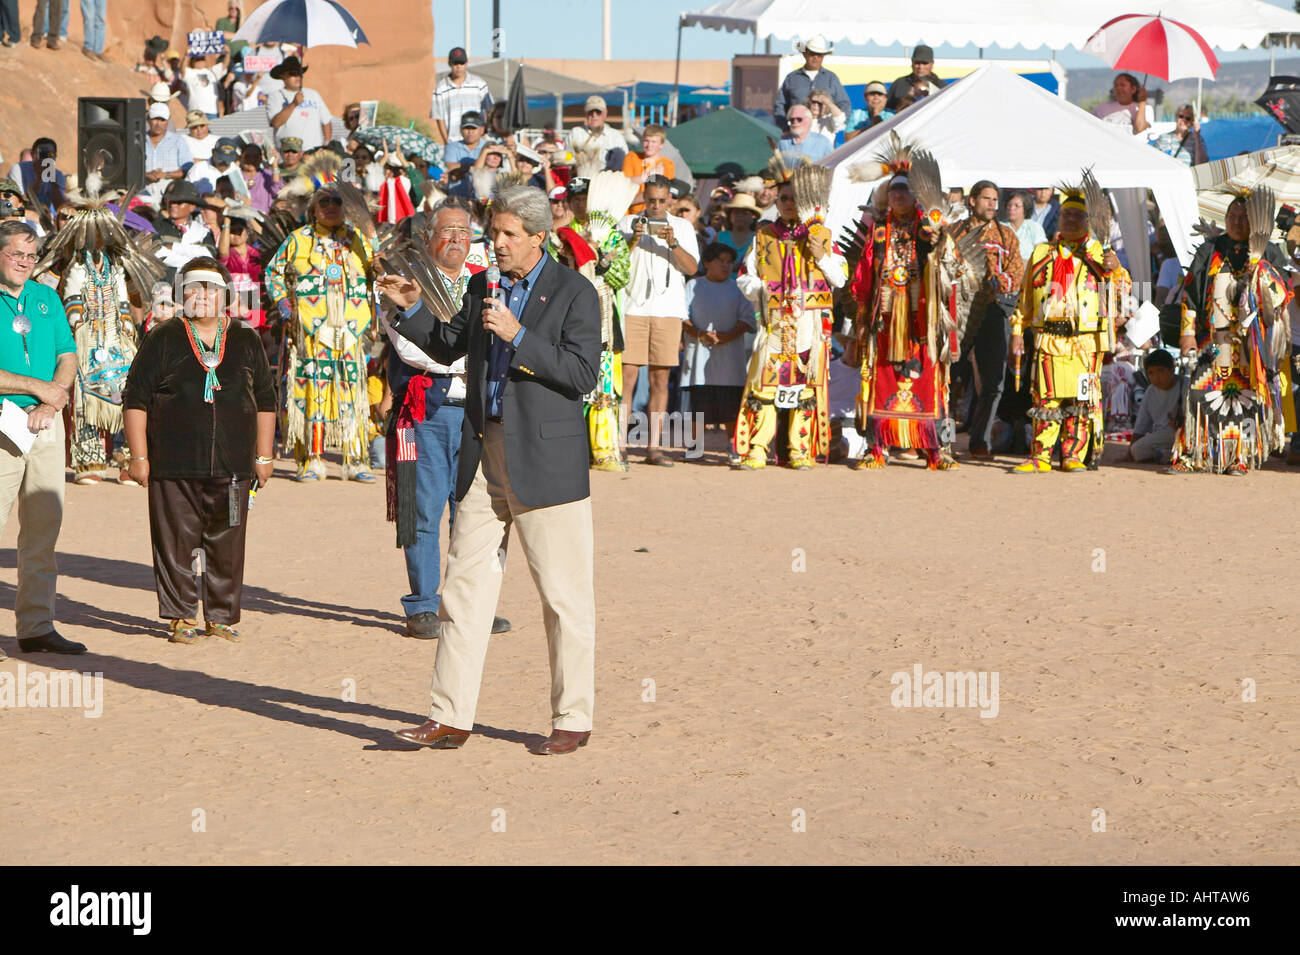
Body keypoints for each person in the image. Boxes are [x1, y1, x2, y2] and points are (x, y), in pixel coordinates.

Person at [379, 184, 600, 756]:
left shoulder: (575, 291)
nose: (496, 244)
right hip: (484, 453)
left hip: (546, 461)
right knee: (463, 589)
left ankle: (572, 717)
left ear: (538, 239)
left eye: (508, 235)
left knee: (561, 596)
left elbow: (582, 375)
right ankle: (450, 716)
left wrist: (518, 336)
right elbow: (451, 344)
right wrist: (410, 305)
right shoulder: (483, 285)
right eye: (493, 232)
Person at [124, 257, 275, 645]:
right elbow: (136, 399)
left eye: (210, 288)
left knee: (227, 542)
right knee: (175, 541)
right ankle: (179, 616)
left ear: (225, 294)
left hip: (234, 466)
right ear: (180, 294)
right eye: (193, 287)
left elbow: (265, 400)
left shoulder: (244, 337)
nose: (202, 295)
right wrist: (139, 457)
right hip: (173, 464)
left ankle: (221, 617)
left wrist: (263, 456)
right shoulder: (164, 337)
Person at [380, 198, 511, 638]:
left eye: (463, 231)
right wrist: (464, 361)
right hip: (425, 411)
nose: (455, 239)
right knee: (423, 508)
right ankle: (422, 604)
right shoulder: (406, 284)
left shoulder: (485, 286)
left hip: (476, 413)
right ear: (428, 238)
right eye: (446, 231)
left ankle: (471, 602)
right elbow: (410, 348)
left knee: (475, 512)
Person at [0, 220, 85, 658]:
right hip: (2, 421)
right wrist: (38, 390)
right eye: (16, 254)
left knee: (43, 530)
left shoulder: (47, 298)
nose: (24, 263)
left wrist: (51, 403)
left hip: (46, 424)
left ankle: (35, 626)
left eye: (31, 256)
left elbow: (67, 356)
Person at [1009, 182, 1132, 473]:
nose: (1072, 220)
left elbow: (1124, 293)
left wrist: (1114, 269)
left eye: (1078, 216)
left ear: (1088, 221)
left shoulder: (1101, 254)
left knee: (1082, 398)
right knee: (1046, 398)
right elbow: (1026, 297)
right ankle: (1040, 455)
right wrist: (1017, 330)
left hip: (1085, 342)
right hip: (1049, 339)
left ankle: (1073, 453)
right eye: (1067, 215)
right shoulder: (1042, 254)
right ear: (1059, 218)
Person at [265, 178, 378, 482]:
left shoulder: (359, 240)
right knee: (309, 390)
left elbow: (378, 274)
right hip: (309, 331)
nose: (330, 207)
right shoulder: (298, 239)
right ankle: (310, 459)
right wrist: (285, 307)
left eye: (337, 202)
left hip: (349, 330)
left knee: (351, 392)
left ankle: (355, 459)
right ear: (312, 209)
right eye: (324, 202)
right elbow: (273, 273)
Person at [1172, 190, 1292, 474]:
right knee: (1201, 395)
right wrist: (1187, 333)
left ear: (1255, 221)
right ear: (1225, 220)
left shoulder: (1268, 252)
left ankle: (1238, 455)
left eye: (1244, 217)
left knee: (1244, 401)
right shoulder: (1210, 250)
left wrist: (1260, 271)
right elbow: (1189, 295)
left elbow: (1283, 297)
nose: (1238, 223)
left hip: (1251, 347)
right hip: (1213, 340)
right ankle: (1195, 453)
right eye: (1233, 217)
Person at [736, 168, 845, 469]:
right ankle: (758, 448)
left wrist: (821, 255)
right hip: (773, 322)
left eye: (796, 198)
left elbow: (840, 278)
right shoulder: (764, 236)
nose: (789, 203)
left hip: (808, 326)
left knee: (803, 386)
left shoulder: (822, 234)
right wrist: (762, 290)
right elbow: (745, 277)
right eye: (784, 198)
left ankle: (799, 449)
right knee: (766, 384)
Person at [619, 175, 699, 466]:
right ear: (644, 196)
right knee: (626, 378)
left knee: (660, 379)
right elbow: (614, 264)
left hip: (667, 309)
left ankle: (653, 447)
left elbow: (692, 268)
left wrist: (673, 243)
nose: (655, 206)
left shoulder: (683, 227)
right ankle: (619, 444)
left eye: (661, 201)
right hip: (632, 307)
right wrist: (635, 239)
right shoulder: (626, 222)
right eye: (650, 200)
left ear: (671, 201)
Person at [951, 181, 1023, 459]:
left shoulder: (1006, 236)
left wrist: (997, 282)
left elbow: (1017, 270)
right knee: (948, 377)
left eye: (995, 199)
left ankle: (979, 440)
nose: (992, 204)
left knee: (994, 382)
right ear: (972, 201)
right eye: (986, 199)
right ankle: (941, 439)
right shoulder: (953, 232)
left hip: (992, 312)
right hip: (957, 313)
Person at [682, 243, 754, 460]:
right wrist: (699, 334)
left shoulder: (738, 288)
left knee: (731, 406)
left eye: (728, 262)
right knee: (698, 406)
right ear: (707, 263)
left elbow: (747, 320)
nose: (725, 266)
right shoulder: (692, 286)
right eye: (719, 261)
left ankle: (734, 447)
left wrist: (727, 336)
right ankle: (695, 449)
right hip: (698, 356)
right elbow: (682, 316)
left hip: (730, 360)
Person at [774, 34, 849, 129]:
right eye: (812, 54)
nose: (816, 58)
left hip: (824, 132)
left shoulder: (831, 78)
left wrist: (837, 125)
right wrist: (785, 128)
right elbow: (780, 105)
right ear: (805, 54)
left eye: (819, 55)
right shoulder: (792, 78)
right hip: (797, 133)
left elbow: (844, 104)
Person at [267, 56, 332, 152]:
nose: (297, 77)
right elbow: (276, 123)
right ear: (283, 76)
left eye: (299, 73)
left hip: (313, 152)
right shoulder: (275, 96)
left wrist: (326, 144)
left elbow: (326, 121)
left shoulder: (313, 94)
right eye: (293, 73)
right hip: (288, 153)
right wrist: (293, 104)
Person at [430, 46, 492, 145]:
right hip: (454, 141)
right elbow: (439, 118)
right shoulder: (441, 88)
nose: (458, 67)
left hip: (477, 141)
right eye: (455, 63)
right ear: (449, 64)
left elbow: (489, 110)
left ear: (466, 63)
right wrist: (446, 141)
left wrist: (484, 133)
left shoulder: (479, 84)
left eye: (461, 63)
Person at [1128, 349, 1180, 463]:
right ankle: (1169, 455)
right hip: (1161, 436)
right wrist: (1130, 453)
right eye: (1151, 373)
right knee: (1137, 449)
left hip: (1182, 433)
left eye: (1160, 371)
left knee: (1139, 449)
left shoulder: (1185, 385)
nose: (1156, 377)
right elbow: (1140, 427)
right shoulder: (1151, 391)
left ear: (1172, 369)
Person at [7, 137, 66, 219]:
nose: (46, 158)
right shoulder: (19, 170)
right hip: (21, 215)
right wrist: (39, 179)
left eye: (51, 154)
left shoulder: (58, 175)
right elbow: (18, 204)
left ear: (55, 156)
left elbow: (61, 208)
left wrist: (53, 182)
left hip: (44, 219)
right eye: (42, 154)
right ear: (32, 155)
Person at [145, 103, 193, 201]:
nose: (158, 124)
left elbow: (187, 170)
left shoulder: (178, 140)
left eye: (162, 120)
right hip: (142, 193)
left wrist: (165, 175)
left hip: (169, 196)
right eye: (155, 119)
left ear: (168, 120)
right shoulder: (138, 140)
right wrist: (145, 175)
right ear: (148, 119)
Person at [622, 124, 674, 214]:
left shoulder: (667, 164)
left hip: (655, 213)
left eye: (653, 142)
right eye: (646, 141)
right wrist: (649, 175)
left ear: (661, 144)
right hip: (630, 213)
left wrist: (633, 199)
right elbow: (624, 183)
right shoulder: (632, 157)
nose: (649, 145)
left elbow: (661, 195)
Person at [567, 96, 626, 172]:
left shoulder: (616, 137)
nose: (594, 115)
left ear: (605, 113)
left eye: (598, 112)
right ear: (585, 113)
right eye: (590, 112)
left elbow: (625, 163)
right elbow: (567, 159)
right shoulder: (575, 134)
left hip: (608, 180)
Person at [887, 45, 947, 112]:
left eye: (925, 63)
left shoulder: (942, 86)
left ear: (932, 64)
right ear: (912, 62)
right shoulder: (899, 84)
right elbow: (887, 112)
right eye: (917, 63)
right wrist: (908, 98)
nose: (920, 67)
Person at [443, 111, 488, 198]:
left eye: (473, 128)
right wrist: (476, 167)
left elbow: (489, 169)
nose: (470, 132)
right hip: (456, 199)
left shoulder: (488, 147)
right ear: (460, 129)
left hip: (482, 199)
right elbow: (450, 167)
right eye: (466, 128)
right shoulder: (452, 147)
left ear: (482, 130)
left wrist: (460, 171)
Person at [183, 50, 228, 119]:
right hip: (196, 112)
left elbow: (225, 64)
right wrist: (186, 56)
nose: (200, 61)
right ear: (192, 61)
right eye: (197, 59)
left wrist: (227, 52)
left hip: (212, 112)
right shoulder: (190, 72)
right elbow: (182, 69)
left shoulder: (212, 71)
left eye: (202, 59)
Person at [1005, 190, 1046, 262]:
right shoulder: (1000, 226)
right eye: (1009, 205)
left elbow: (1041, 254)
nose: (1011, 208)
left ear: (1025, 208)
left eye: (1016, 206)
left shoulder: (1034, 227)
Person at [716, 192, 759, 262]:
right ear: (730, 216)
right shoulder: (719, 237)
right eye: (736, 212)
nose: (740, 215)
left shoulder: (757, 239)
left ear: (753, 217)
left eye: (745, 213)